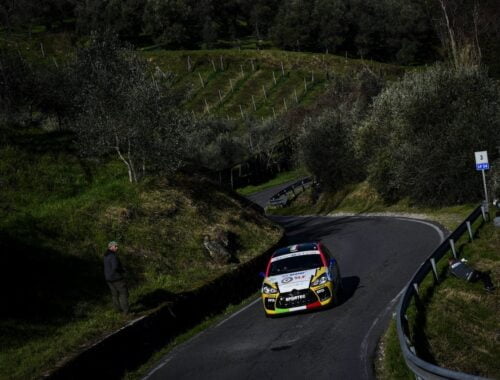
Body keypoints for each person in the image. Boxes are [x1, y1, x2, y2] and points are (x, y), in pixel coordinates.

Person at [104, 241, 129, 314]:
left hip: (108, 278)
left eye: (117, 246)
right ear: (111, 247)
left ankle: (117, 311)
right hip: (116, 278)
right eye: (115, 246)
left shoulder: (105, 255)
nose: (117, 248)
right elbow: (115, 267)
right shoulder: (113, 256)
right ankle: (126, 311)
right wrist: (122, 270)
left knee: (115, 295)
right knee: (123, 293)